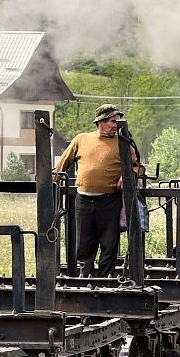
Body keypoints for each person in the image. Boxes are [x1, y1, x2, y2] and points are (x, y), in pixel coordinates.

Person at [54, 103, 144, 277]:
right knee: (84, 244)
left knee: (109, 244)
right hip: (84, 200)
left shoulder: (123, 143)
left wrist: (128, 175)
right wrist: (48, 183)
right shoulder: (82, 139)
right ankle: (84, 278)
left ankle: (105, 281)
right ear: (100, 122)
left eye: (117, 121)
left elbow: (139, 167)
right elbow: (61, 165)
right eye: (112, 121)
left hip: (109, 201)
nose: (115, 125)